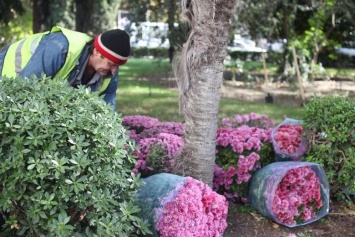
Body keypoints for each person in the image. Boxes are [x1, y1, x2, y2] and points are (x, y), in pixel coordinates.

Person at [0, 26, 131, 110]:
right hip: (7, 72)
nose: (114, 70)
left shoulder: (110, 71)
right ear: (96, 52)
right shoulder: (59, 48)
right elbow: (26, 88)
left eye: (117, 66)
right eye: (112, 64)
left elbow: (108, 107)